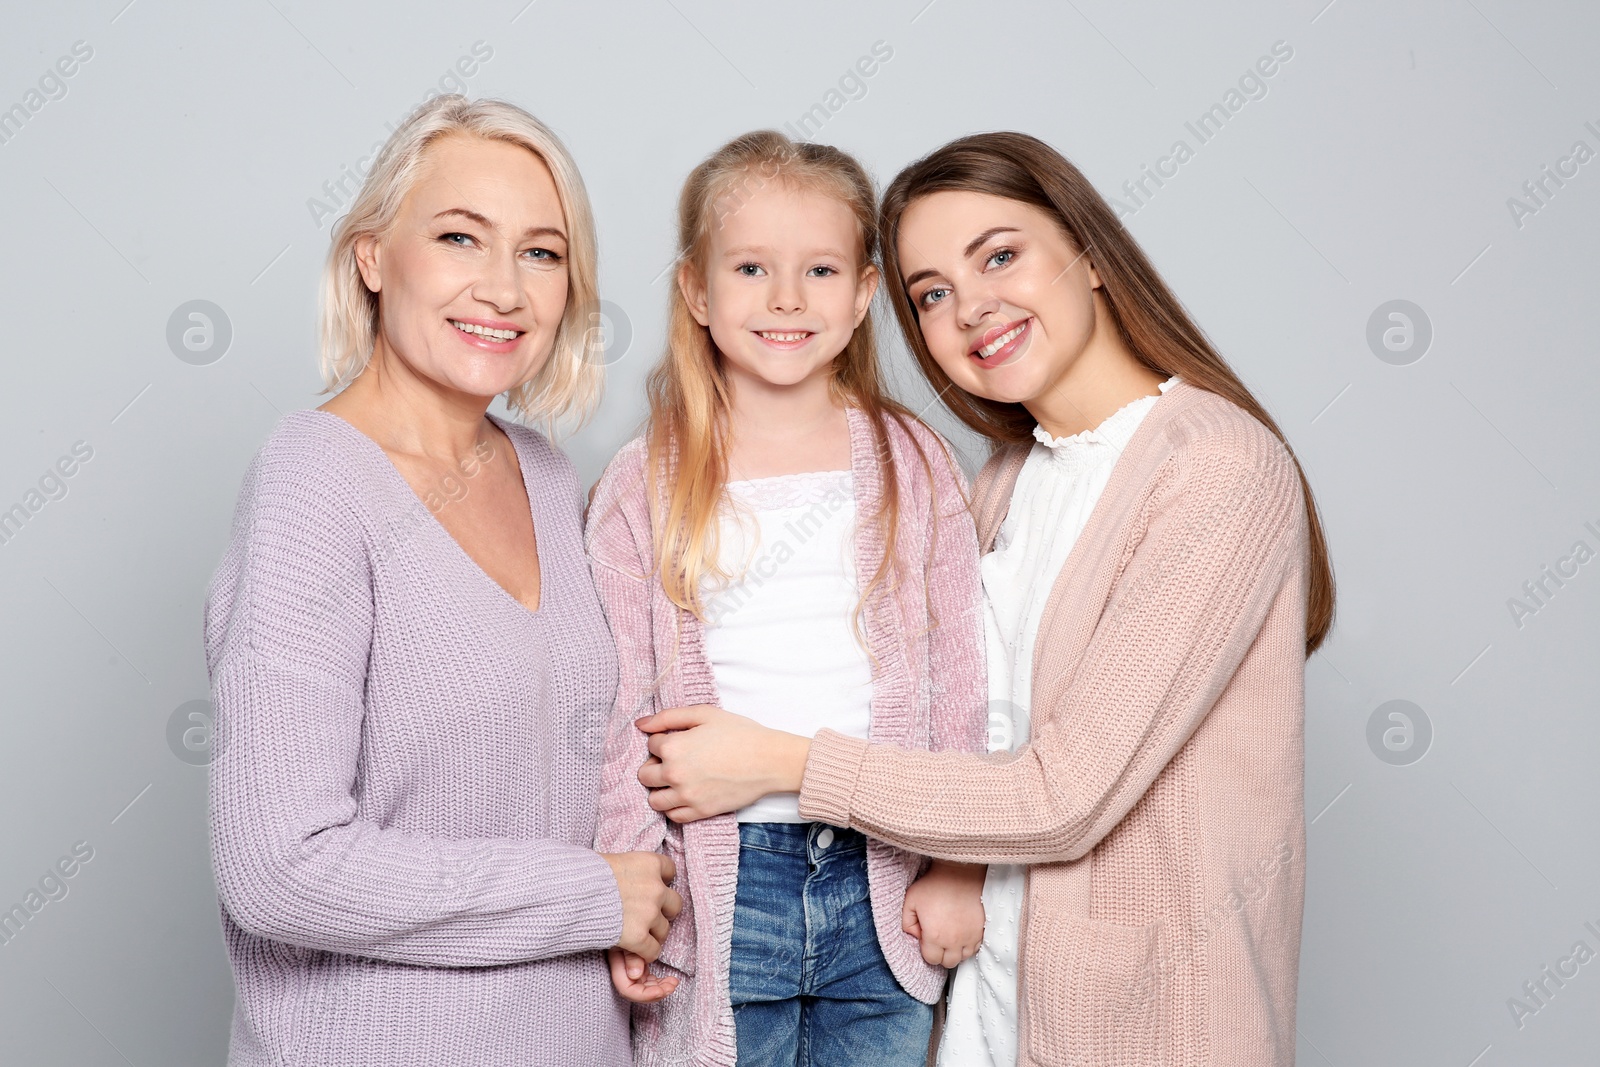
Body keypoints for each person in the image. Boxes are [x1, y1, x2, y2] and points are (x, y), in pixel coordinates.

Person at [634, 131, 1336, 1067]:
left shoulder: (1215, 468)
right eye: (934, 292)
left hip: (1144, 1026)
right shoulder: (1011, 477)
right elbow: (960, 710)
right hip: (990, 1009)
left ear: (1089, 256)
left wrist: (780, 761)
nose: (972, 309)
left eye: (1000, 255)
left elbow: (1063, 796)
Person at [204, 95, 680, 1066]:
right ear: (373, 257)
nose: (503, 288)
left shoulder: (548, 475)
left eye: (541, 253)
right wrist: (591, 895)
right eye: (461, 237)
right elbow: (276, 867)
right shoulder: (314, 479)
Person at [586, 130, 990, 1066]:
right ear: (695, 288)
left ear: (862, 294)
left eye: (818, 270)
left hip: (882, 874)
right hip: (717, 882)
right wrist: (626, 886)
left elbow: (964, 678)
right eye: (752, 267)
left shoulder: (912, 464)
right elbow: (614, 709)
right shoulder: (643, 483)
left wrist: (961, 862)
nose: (785, 299)